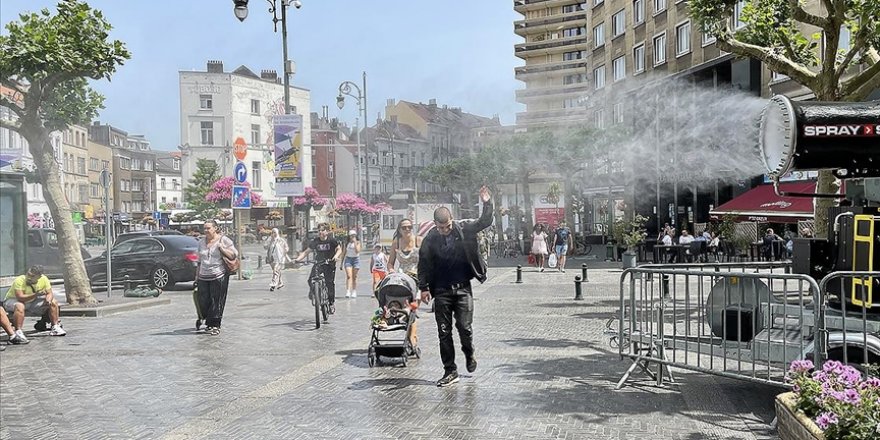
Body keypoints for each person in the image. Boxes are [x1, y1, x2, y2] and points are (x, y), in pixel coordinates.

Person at [418, 186, 493, 387]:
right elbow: (423, 264)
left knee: (464, 328)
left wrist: (487, 203)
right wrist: (423, 287)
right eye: (441, 227)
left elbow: (484, 222)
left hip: (462, 290)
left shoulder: (463, 228)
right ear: (435, 225)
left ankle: (469, 353)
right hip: (441, 291)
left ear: (452, 220)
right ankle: (450, 370)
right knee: (444, 332)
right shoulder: (430, 239)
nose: (445, 230)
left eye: (448, 226)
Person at [196, 220, 238, 335]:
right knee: (203, 301)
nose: (206, 231)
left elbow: (234, 255)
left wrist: (222, 249)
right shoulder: (201, 242)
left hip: (218, 274)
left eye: (208, 228)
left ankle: (215, 325)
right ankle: (208, 321)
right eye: (204, 228)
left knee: (217, 301)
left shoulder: (223, 240)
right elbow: (199, 261)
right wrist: (196, 276)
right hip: (203, 275)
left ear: (215, 228)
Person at [2, 265, 65, 341]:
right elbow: (20, 297)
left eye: (32, 276)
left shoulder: (44, 279)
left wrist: (48, 300)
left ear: (39, 277)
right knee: (20, 305)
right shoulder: (20, 280)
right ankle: (18, 331)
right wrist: (35, 294)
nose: (29, 277)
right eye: (28, 274)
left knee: (53, 302)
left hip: (32, 302)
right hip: (13, 301)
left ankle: (55, 327)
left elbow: (49, 293)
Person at [294, 223, 343, 313]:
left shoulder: (331, 240)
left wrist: (336, 256)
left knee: (329, 283)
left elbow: (339, 249)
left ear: (327, 232)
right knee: (310, 280)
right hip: (319, 264)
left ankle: (331, 303)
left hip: (329, 264)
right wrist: (298, 259)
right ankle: (315, 292)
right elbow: (307, 252)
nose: (320, 232)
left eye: (322, 230)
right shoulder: (315, 241)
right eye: (319, 231)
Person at [341, 230, 362, 298]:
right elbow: (344, 253)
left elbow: (357, 251)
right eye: (351, 236)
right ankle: (348, 291)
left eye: (354, 235)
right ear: (349, 236)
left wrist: (355, 242)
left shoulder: (358, 242)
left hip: (356, 259)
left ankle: (354, 290)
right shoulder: (346, 243)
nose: (353, 237)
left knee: (354, 276)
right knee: (349, 276)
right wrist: (341, 263)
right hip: (348, 259)